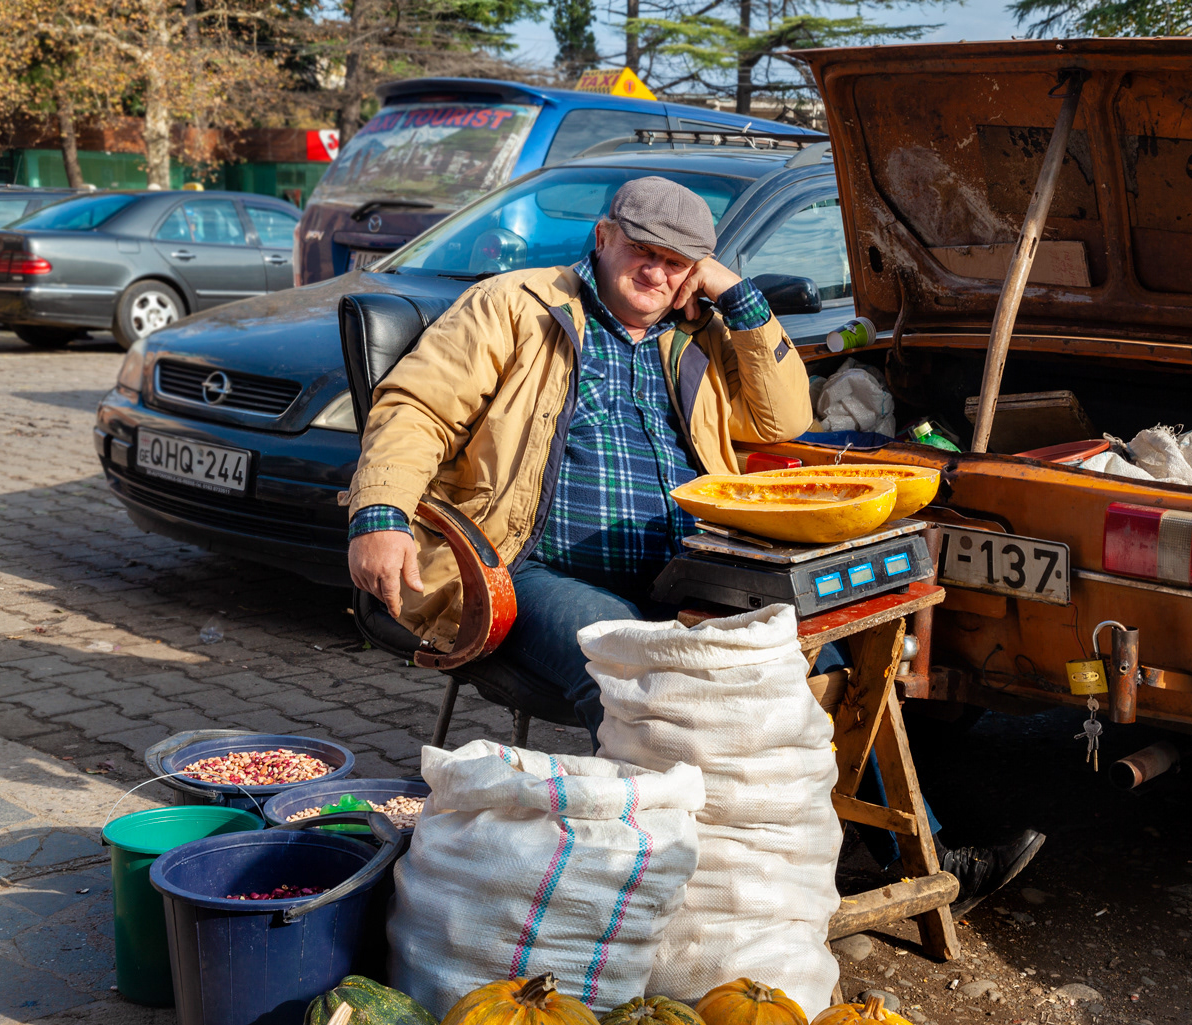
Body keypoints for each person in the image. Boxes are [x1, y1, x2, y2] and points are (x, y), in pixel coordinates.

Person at [345, 175, 1039, 912]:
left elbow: (783, 420)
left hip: (689, 566)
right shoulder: (516, 305)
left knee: (830, 662)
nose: (657, 272)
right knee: (643, 675)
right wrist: (381, 511)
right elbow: (415, 407)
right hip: (532, 562)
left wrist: (733, 294)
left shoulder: (698, 328)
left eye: (678, 262)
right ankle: (676, 892)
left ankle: (913, 859)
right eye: (644, 250)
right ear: (604, 235)